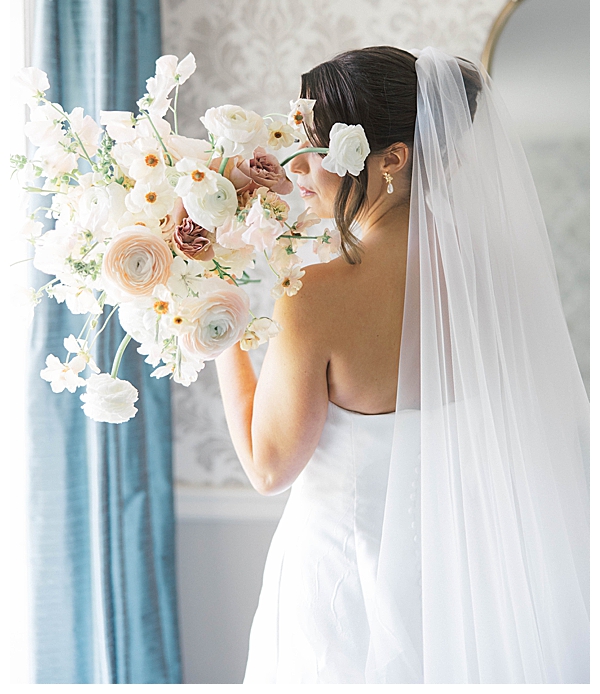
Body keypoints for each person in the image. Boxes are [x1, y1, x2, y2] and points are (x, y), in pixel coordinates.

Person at [214, 46, 589, 684]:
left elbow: (268, 466)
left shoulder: (316, 294)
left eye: (319, 144)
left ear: (393, 157)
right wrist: (291, 208)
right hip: (465, 585)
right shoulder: (495, 274)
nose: (298, 162)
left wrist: (216, 325)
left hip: (341, 592)